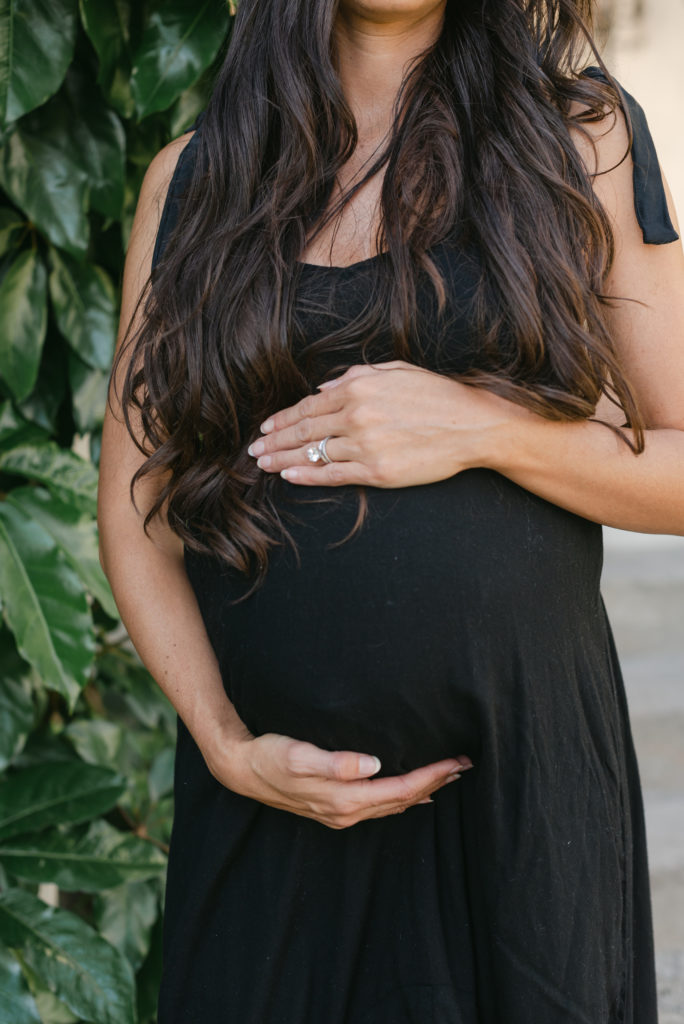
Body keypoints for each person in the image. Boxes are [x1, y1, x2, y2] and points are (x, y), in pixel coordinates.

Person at [97, 0, 684, 1020]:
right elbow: (135, 505)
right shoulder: (191, 181)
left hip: (517, 804)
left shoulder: (580, 139)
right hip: (276, 806)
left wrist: (483, 428)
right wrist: (227, 743)